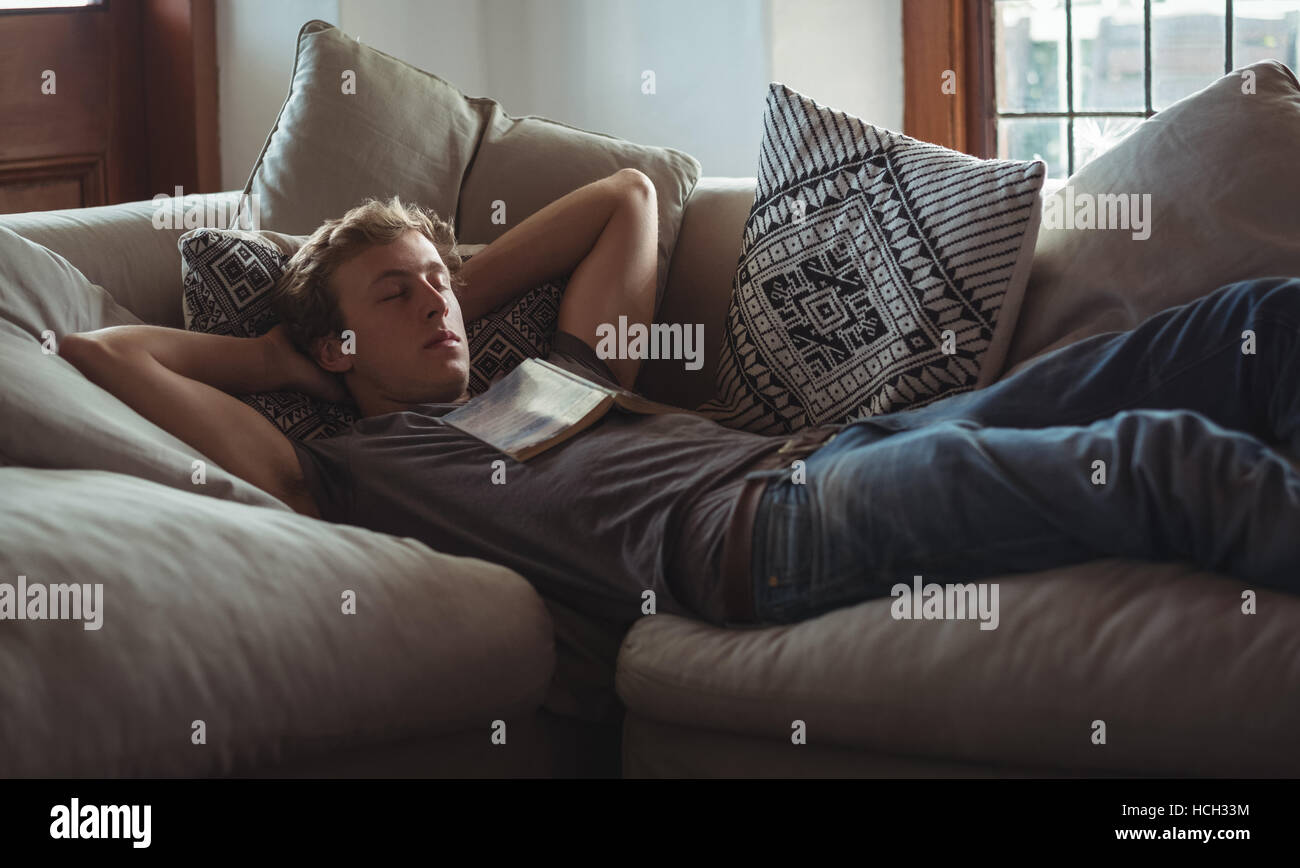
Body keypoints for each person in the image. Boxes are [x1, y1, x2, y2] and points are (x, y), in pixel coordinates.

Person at [60, 170, 1300, 633]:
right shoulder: (347, 468)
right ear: (332, 344)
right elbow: (106, 348)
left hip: (833, 448)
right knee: (1151, 455)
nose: (438, 303)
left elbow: (625, 203)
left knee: (1241, 324)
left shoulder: (540, 386)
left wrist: (440, 275)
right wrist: (295, 360)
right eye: (399, 296)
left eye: (440, 284)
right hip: (757, 539)